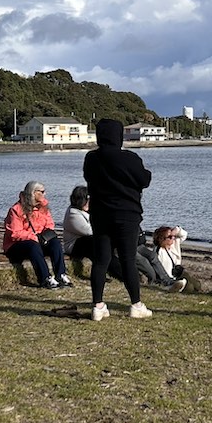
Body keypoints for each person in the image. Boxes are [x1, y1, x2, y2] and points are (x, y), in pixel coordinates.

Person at [83, 118, 154, 321]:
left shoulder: (91, 158)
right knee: (127, 260)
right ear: (119, 136)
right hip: (127, 215)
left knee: (101, 260)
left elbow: (88, 177)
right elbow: (144, 179)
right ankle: (136, 305)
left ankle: (98, 305)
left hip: (100, 214)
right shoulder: (130, 158)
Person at [3, 181, 70, 289]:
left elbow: (50, 224)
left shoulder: (43, 207)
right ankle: (45, 278)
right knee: (32, 245)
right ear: (33, 193)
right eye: (42, 192)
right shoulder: (16, 210)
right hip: (16, 245)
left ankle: (61, 275)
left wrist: (44, 235)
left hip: (38, 241)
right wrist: (33, 236)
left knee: (55, 243)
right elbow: (14, 233)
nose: (45, 194)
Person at [152, 226, 198, 293]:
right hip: (171, 278)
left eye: (173, 236)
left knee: (197, 285)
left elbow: (184, 234)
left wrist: (176, 230)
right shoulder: (159, 251)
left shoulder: (174, 245)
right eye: (170, 237)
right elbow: (161, 270)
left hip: (178, 274)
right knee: (190, 287)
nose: (173, 238)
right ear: (162, 239)